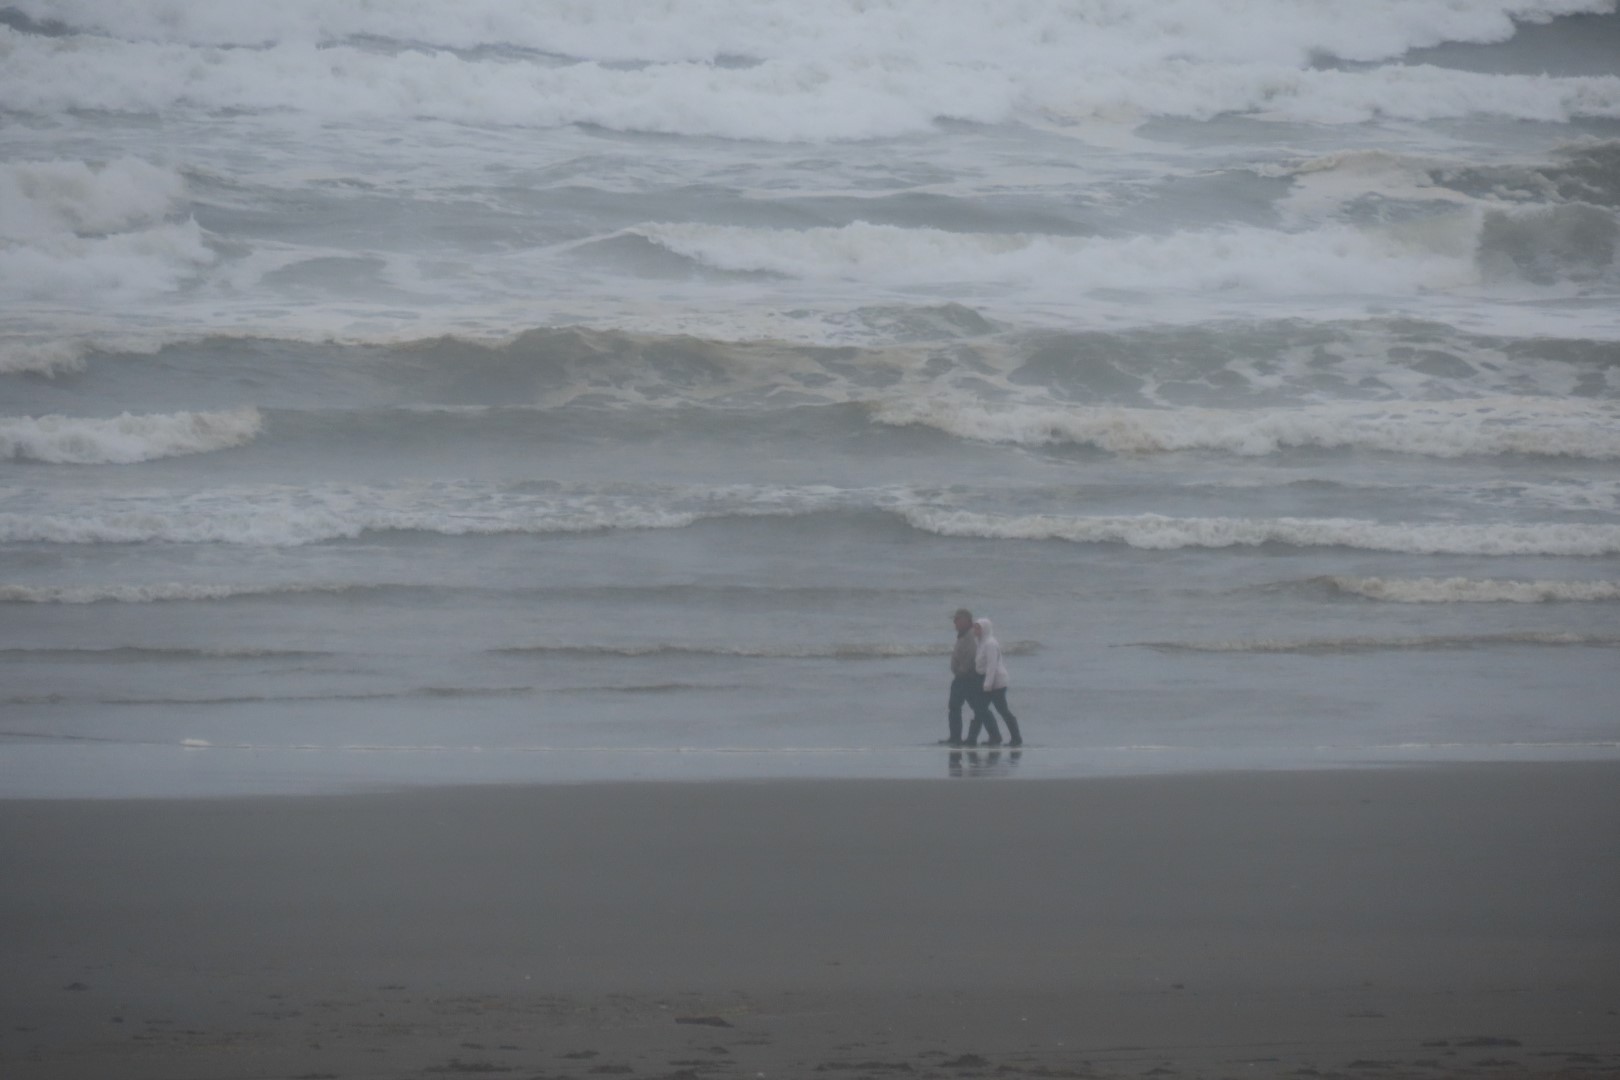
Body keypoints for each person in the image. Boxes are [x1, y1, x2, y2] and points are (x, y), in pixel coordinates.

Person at [946, 608, 997, 747]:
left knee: (979, 708)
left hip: (969, 678)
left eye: (957, 620)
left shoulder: (971, 635)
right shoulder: (962, 635)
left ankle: (995, 736)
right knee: (954, 706)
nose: (955, 623)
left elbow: (972, 656)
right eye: (954, 620)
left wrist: (962, 671)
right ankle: (955, 737)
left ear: (966, 621)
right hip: (960, 678)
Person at [973, 617, 1023, 747]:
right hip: (988, 681)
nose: (975, 630)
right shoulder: (980, 642)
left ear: (984, 629)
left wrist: (988, 684)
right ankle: (995, 736)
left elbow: (992, 666)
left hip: (997, 682)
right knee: (981, 709)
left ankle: (1016, 738)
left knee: (1002, 710)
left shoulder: (990, 643)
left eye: (977, 628)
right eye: (975, 627)